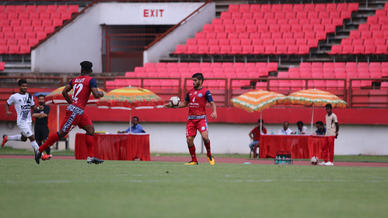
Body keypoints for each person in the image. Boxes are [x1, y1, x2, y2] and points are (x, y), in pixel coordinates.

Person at [35, 61, 104, 165]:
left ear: (81, 70)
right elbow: (96, 94)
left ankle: (90, 157)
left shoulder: (75, 80)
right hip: (76, 111)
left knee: (90, 129)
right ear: (91, 70)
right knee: (62, 133)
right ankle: (39, 150)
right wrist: (101, 93)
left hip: (78, 110)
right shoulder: (91, 80)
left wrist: (72, 103)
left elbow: (64, 92)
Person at [165, 73, 217, 166]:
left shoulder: (206, 91)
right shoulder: (190, 92)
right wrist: (173, 106)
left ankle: (209, 155)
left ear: (200, 81)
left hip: (201, 119)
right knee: (189, 140)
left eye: (195, 80)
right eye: (193, 80)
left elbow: (212, 103)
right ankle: (194, 160)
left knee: (205, 137)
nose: (193, 82)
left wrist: (214, 112)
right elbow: (184, 103)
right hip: (191, 120)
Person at [1, 79, 40, 154]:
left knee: (24, 138)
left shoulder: (29, 96)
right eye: (23, 86)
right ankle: (41, 154)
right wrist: (7, 111)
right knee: (32, 137)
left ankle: (7, 138)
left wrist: (38, 108)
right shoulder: (14, 96)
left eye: (26, 86)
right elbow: (7, 103)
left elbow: (33, 106)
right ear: (19, 87)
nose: (25, 87)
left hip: (29, 121)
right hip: (21, 121)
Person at [32, 95, 52, 160]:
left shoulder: (47, 107)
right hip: (37, 126)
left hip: (44, 126)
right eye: (40, 99)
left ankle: (48, 154)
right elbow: (33, 115)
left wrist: (38, 115)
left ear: (44, 100)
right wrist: (41, 115)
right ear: (38, 100)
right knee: (38, 142)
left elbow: (46, 115)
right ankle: (38, 156)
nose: (41, 100)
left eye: (42, 99)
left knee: (45, 141)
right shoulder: (36, 108)